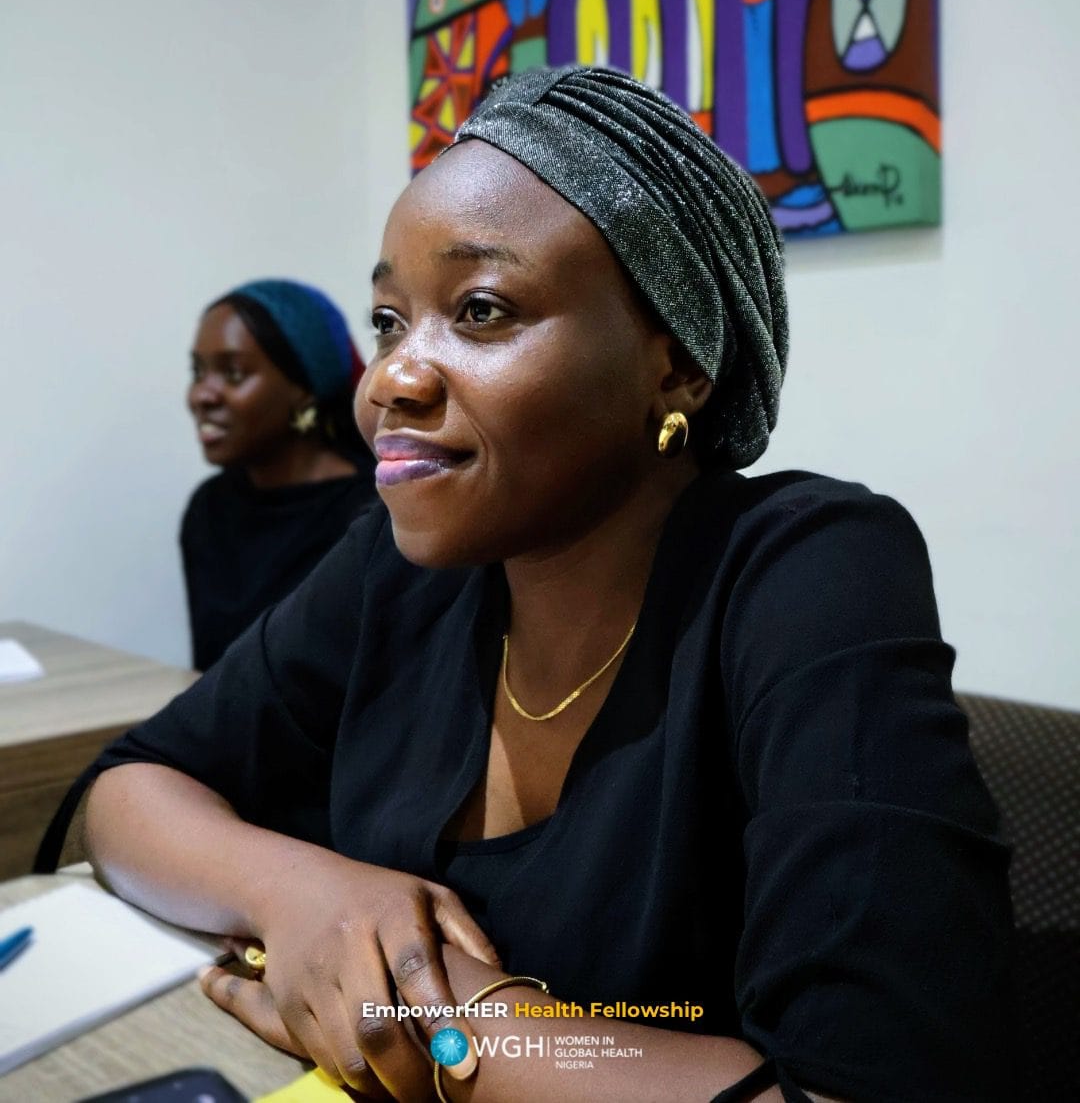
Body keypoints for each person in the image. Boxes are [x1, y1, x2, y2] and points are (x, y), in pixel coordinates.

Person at [75, 68, 1016, 1102]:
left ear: (676, 365)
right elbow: (128, 791)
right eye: (388, 321)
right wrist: (304, 892)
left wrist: (444, 1027)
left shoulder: (811, 568)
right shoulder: (397, 567)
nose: (389, 380)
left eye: (480, 310)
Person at [181, 278, 377, 671]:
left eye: (233, 373)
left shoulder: (370, 519)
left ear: (305, 388)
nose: (202, 395)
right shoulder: (209, 508)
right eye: (198, 371)